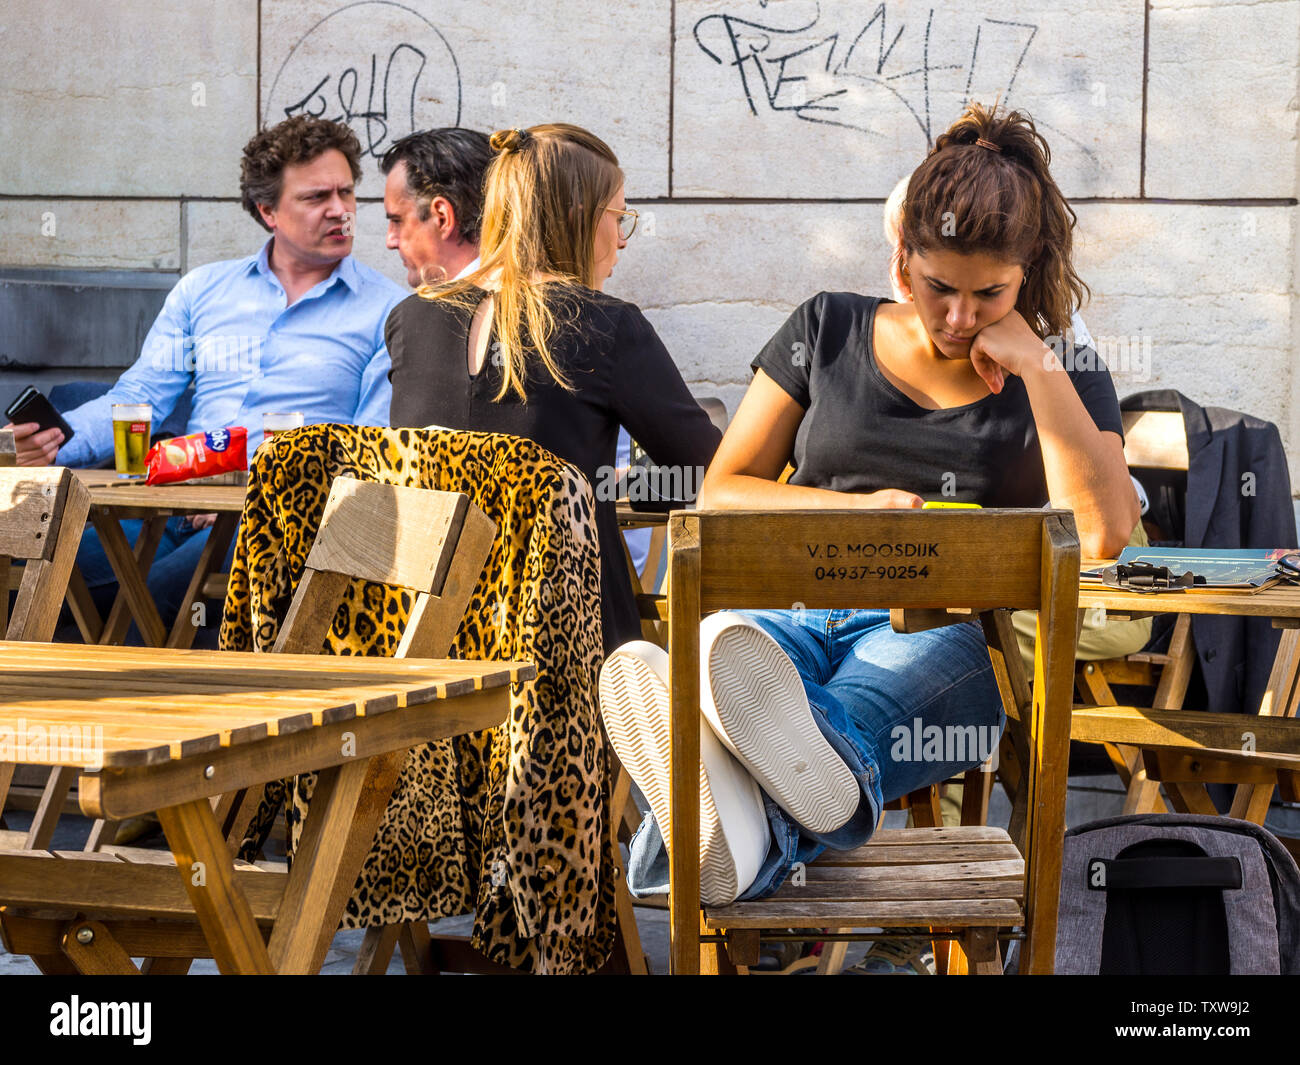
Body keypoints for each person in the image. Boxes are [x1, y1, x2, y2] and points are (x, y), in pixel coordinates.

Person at [600, 103, 1141, 918]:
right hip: (785, 609)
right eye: (939, 288)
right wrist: (861, 510)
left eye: (989, 294)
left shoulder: (1061, 364)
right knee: (737, 666)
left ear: (1027, 270)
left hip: (943, 630)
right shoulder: (827, 325)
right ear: (901, 259)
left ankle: (711, 825)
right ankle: (749, 828)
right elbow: (722, 488)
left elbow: (1100, 535)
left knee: (822, 716)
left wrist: (1037, 364)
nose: (960, 318)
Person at [3, 115, 406, 631]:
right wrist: (55, 441)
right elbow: (142, 395)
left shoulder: (389, 311)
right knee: (35, 569)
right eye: (315, 198)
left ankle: (140, 707)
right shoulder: (204, 291)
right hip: (176, 505)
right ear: (268, 212)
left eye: (347, 193)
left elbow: (365, 445)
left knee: (150, 600)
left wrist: (256, 496)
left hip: (279, 520)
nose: (340, 211)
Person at [386, 123, 721, 652]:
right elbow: (710, 476)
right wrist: (615, 483)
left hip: (426, 635)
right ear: (578, 218)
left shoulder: (410, 319)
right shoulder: (605, 325)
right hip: (564, 637)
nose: (624, 238)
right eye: (619, 217)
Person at [381, 128, 493, 287]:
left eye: (397, 221)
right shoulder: (534, 295)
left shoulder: (418, 311)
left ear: (442, 217)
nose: (390, 241)